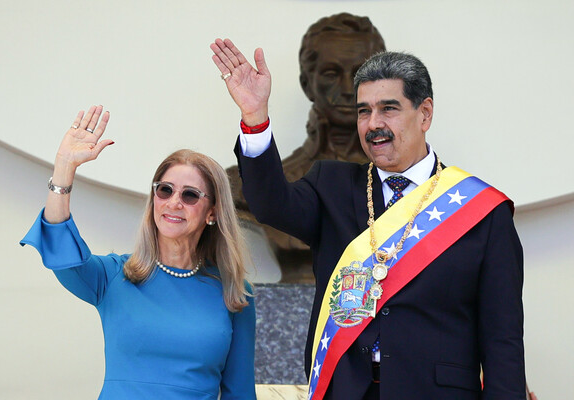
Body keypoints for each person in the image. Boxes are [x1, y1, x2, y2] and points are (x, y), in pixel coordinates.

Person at [211, 39, 526, 399]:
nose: (374, 124)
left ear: (425, 113)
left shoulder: (482, 213)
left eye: (388, 109)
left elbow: (503, 341)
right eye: (364, 112)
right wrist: (255, 118)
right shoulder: (330, 185)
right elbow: (270, 204)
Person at [20, 105, 256, 399]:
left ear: (213, 212)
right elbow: (61, 250)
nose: (174, 202)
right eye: (165, 190)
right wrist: (64, 167)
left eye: (190, 195)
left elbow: (240, 392)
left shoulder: (234, 291)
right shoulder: (113, 276)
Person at [226, 13, 386, 282]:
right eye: (331, 74)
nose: (348, 88)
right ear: (307, 83)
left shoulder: (415, 186)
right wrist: (255, 117)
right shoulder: (244, 186)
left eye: (359, 74)